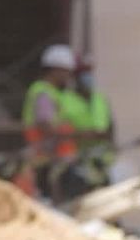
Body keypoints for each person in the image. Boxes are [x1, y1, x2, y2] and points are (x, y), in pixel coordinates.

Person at [20, 44, 82, 203]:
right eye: (66, 72)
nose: (68, 76)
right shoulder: (43, 93)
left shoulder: (56, 93)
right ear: (55, 70)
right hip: (47, 158)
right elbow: (45, 125)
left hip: (56, 158)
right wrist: (75, 135)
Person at [62, 52, 114, 189]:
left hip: (101, 162)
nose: (88, 77)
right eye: (83, 73)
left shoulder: (100, 99)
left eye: (89, 72)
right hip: (76, 163)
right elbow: (62, 132)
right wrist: (85, 134)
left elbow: (110, 128)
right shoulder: (65, 100)